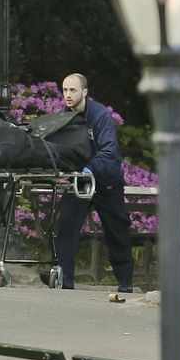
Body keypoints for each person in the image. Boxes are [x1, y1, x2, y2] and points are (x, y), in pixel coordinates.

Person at [44, 73, 134, 291]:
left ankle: (125, 283)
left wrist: (89, 168)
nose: (68, 94)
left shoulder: (100, 115)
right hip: (80, 181)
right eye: (65, 90)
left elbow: (109, 151)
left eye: (73, 90)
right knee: (67, 225)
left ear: (84, 92)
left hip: (106, 181)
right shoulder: (62, 118)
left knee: (117, 231)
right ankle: (64, 280)